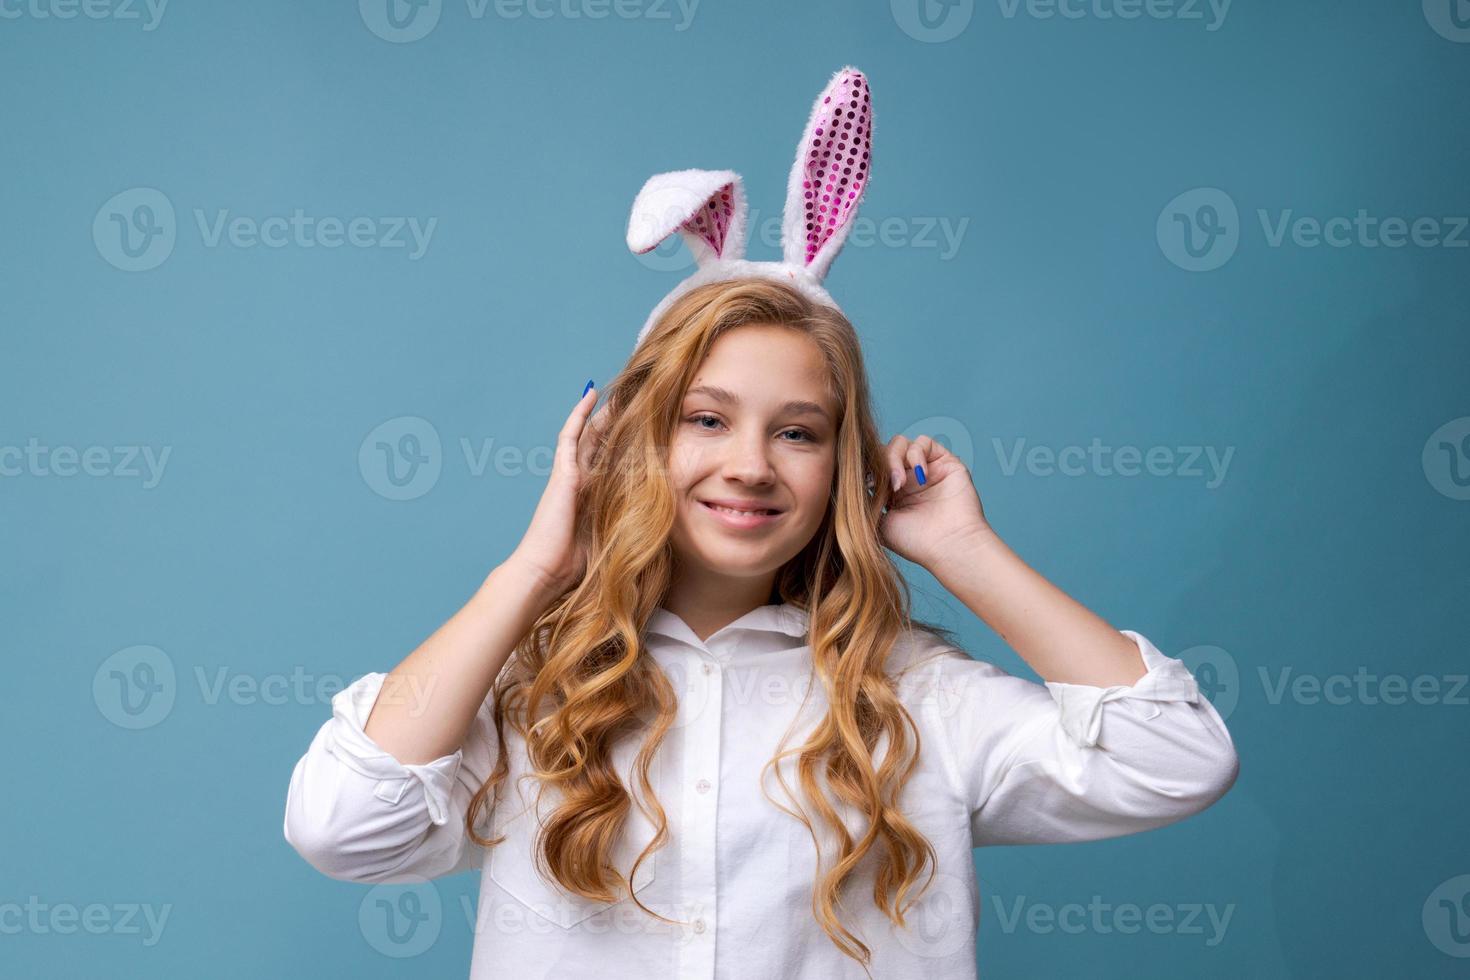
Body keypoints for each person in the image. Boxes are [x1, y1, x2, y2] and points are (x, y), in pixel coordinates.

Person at [282, 275, 1239, 979]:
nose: (750, 465)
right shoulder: (534, 689)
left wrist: (964, 552)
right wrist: (537, 569)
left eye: (797, 431)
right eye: (705, 419)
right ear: (626, 444)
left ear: (841, 465)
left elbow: (1176, 759)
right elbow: (341, 826)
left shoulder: (917, 697)